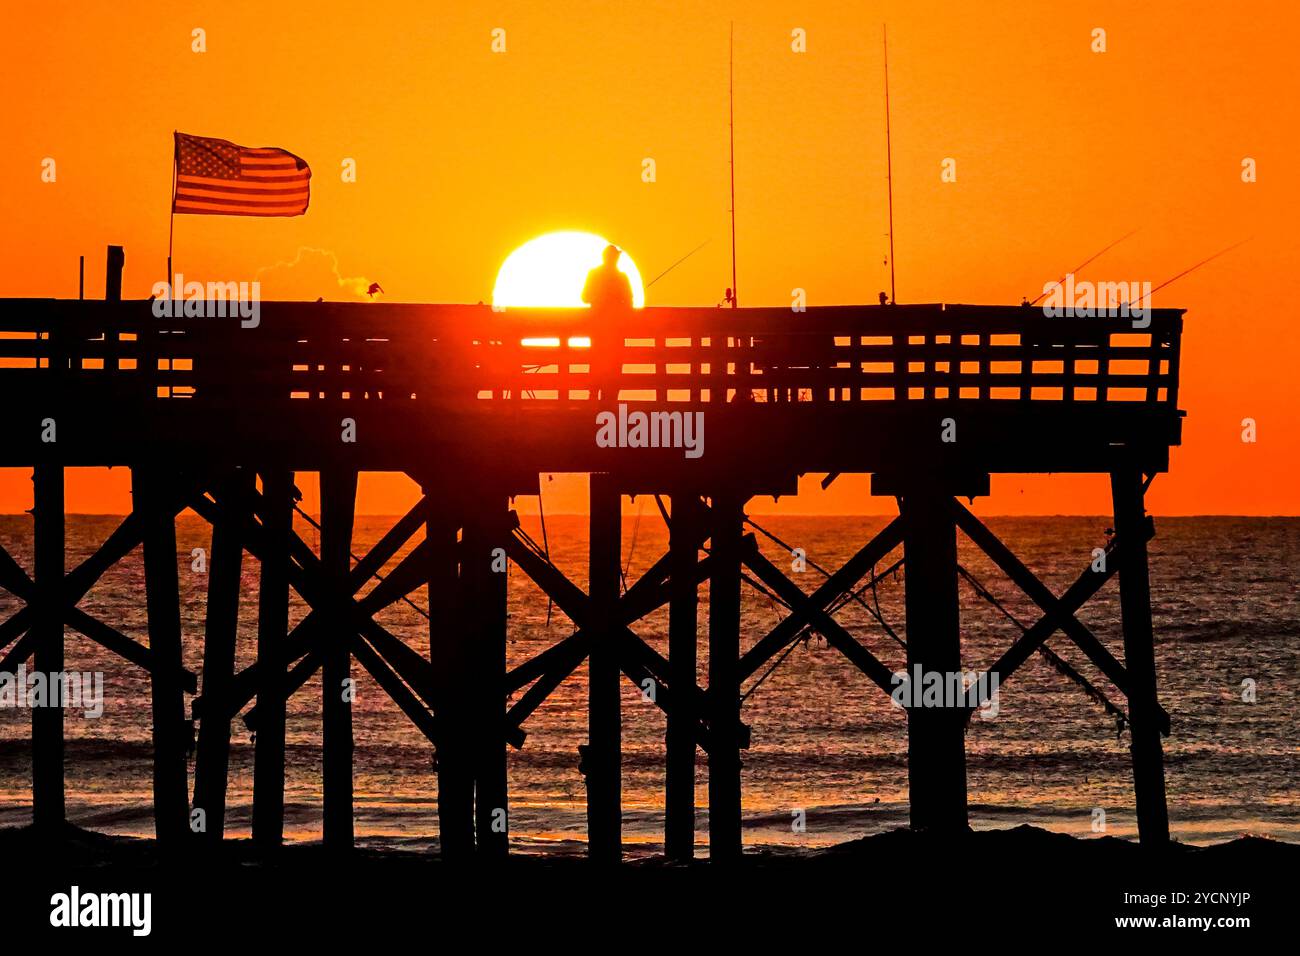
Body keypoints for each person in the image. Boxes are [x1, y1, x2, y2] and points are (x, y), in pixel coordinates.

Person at [581, 245, 632, 401]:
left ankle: (593, 397)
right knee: (615, 364)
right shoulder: (622, 278)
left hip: (597, 328)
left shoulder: (594, 274)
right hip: (616, 329)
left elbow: (584, 297)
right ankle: (611, 399)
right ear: (615, 258)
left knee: (596, 361)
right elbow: (629, 302)